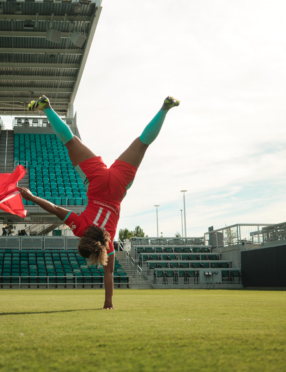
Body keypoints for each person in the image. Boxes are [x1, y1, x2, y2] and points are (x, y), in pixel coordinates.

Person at [19, 95, 180, 309]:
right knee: (70, 141)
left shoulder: (110, 243)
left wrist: (108, 303)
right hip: (97, 182)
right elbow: (55, 208)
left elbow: (109, 273)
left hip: (118, 188)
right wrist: (30, 197)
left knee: (143, 143)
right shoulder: (81, 228)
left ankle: (164, 109)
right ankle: (47, 107)